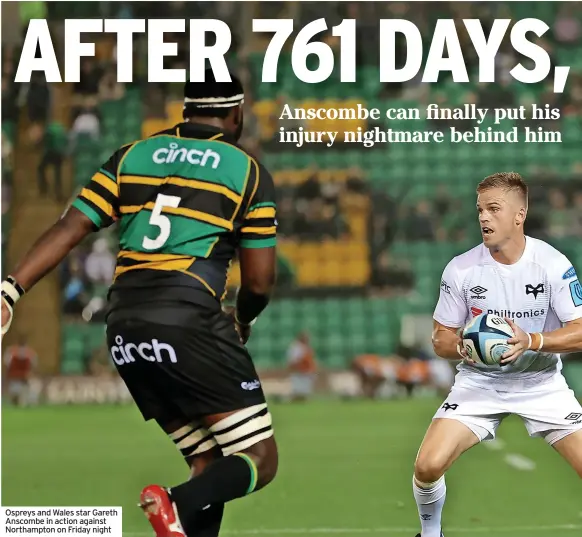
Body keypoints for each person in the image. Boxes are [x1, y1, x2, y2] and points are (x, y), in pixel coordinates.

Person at [1, 69, 279, 537]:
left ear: (185, 110)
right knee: (260, 459)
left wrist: (10, 290)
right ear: (237, 114)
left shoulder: (132, 156)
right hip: (188, 318)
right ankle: (173, 501)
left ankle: (180, 513)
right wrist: (243, 319)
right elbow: (260, 281)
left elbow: (71, 226)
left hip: (125, 327)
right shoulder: (246, 170)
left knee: (208, 458)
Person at [412, 172, 582, 537]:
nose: (484, 218)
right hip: (479, 384)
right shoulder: (461, 268)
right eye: (479, 210)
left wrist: (532, 341)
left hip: (541, 384)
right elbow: (439, 337)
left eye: (493, 209)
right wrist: (463, 345)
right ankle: (430, 533)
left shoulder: (551, 264)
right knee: (427, 467)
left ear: (519, 215)